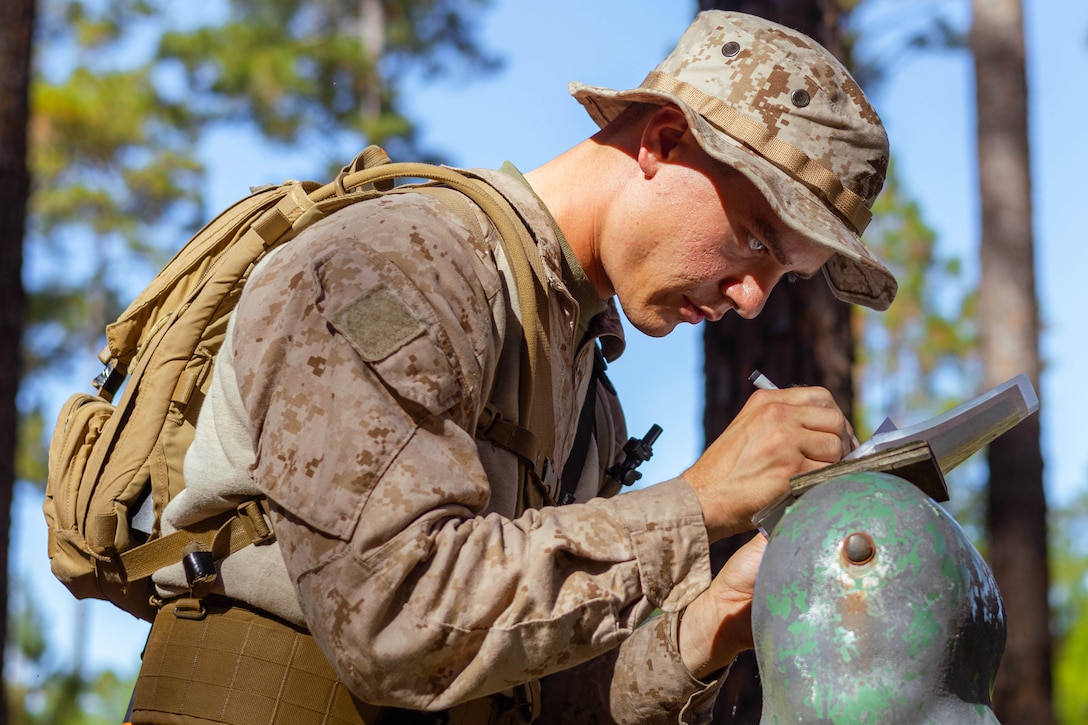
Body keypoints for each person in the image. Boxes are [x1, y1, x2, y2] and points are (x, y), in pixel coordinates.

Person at [130, 10, 897, 725]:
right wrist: (695, 505)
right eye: (757, 238)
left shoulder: (586, 387)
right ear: (662, 141)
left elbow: (538, 687)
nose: (754, 300)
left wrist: (710, 622)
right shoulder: (391, 267)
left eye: (784, 275)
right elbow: (390, 617)